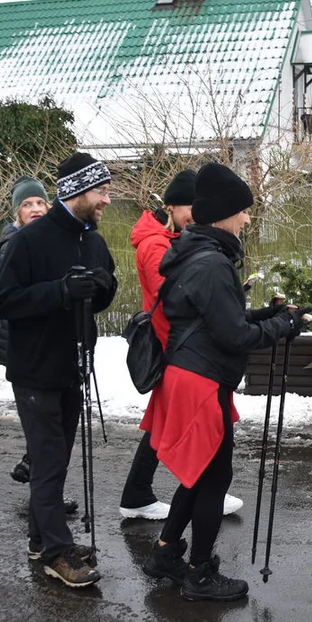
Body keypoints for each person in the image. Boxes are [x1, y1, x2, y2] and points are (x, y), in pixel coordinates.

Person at [140, 163, 304, 601]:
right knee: (214, 477)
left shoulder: (196, 252)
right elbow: (233, 336)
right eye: (243, 211)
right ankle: (199, 574)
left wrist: (268, 316)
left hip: (192, 374)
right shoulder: (212, 262)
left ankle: (166, 552)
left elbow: (216, 319)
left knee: (198, 475)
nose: (248, 218)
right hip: (199, 381)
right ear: (225, 213)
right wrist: (282, 329)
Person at [0, 152, 117, 589]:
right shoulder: (29, 240)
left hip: (73, 367)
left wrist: (103, 289)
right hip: (34, 369)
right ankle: (56, 552)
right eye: (101, 192)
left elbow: (102, 293)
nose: (106, 200)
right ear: (77, 192)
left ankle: (38, 537)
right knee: (47, 463)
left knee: (56, 459)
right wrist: (61, 291)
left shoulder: (93, 239)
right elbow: (4, 302)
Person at [118, 169, 245, 521]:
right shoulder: (155, 244)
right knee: (181, 423)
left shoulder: (171, 236)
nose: (196, 214)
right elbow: (176, 295)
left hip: (179, 345)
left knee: (163, 423)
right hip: (173, 347)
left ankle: (139, 492)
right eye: (191, 206)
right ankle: (202, 488)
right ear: (171, 206)